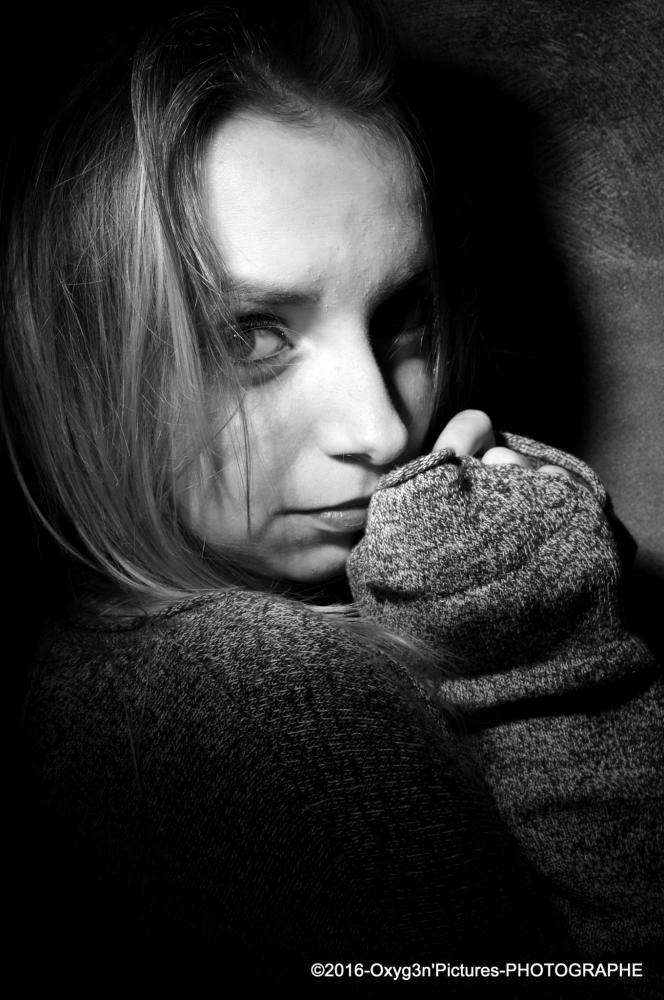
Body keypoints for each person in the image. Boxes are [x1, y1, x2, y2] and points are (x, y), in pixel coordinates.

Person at [2, 0, 661, 990]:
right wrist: (551, 661)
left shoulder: (102, 668)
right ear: (83, 357)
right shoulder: (266, 694)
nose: (382, 430)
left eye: (400, 318)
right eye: (249, 335)